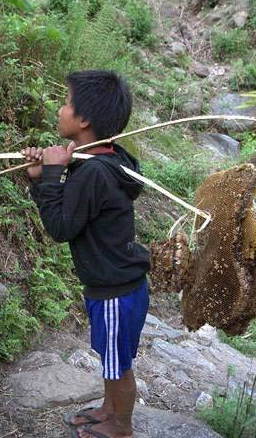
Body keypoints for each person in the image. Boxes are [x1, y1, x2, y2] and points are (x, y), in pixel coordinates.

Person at [22, 70, 150, 438]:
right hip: (118, 286)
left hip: (115, 291)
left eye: (65, 102)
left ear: (83, 120)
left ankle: (121, 427)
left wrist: (50, 177)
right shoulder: (107, 161)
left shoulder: (93, 172)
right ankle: (108, 411)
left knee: (118, 366)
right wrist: (41, 177)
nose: (59, 109)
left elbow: (61, 228)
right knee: (112, 361)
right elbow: (69, 212)